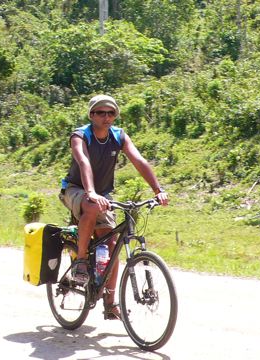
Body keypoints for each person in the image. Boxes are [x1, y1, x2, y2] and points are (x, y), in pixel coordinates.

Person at [59, 94, 169, 320]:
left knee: (111, 244)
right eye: (101, 113)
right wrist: (90, 191)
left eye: (111, 113)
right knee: (91, 206)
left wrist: (158, 190)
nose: (106, 117)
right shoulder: (80, 135)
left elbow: (139, 161)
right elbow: (83, 162)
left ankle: (110, 303)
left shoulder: (119, 136)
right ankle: (80, 261)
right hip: (75, 189)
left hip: (103, 195)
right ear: (92, 115)